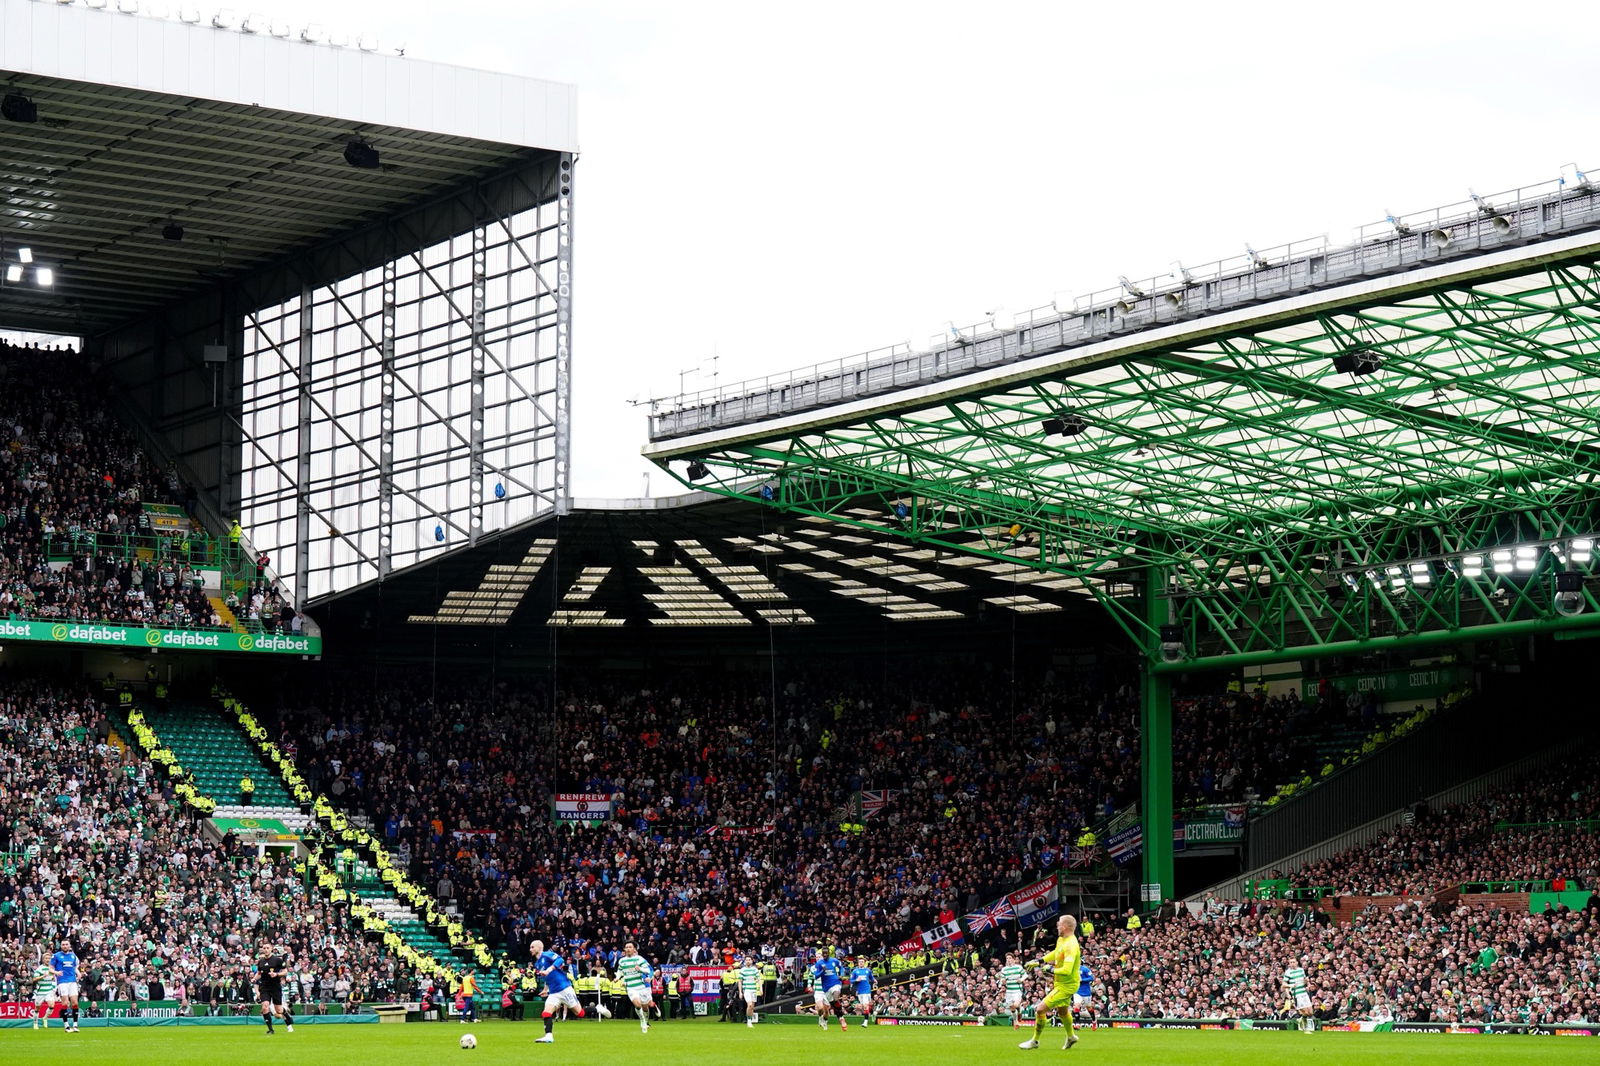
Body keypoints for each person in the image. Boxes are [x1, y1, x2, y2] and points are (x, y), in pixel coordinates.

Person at [1018, 914, 1081, 1051]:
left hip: (1067, 985)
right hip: (1061, 983)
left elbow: (1067, 970)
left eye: (1059, 924)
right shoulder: (1061, 939)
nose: (1057, 926)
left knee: (1040, 1009)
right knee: (1063, 1011)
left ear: (1065, 927)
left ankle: (1035, 1041)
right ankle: (1071, 1037)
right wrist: (1039, 961)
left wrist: (1050, 969)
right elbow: (1056, 952)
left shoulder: (1071, 945)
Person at [531, 939, 608, 1044]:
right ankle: (548, 1036)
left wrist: (549, 970)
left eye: (532, 947)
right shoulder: (537, 963)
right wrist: (545, 989)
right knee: (546, 1013)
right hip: (554, 992)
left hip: (564, 989)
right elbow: (547, 978)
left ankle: (597, 1008)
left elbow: (560, 960)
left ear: (539, 947)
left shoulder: (547, 954)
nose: (530, 949)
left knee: (580, 1013)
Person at [255, 941, 294, 1035]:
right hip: (264, 987)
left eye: (267, 948)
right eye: (264, 948)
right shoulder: (261, 961)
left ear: (271, 949)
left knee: (279, 1010)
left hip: (275, 987)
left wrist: (276, 974)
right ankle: (270, 1030)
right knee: (265, 1007)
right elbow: (259, 973)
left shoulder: (277, 960)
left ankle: (288, 1019)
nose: (266, 950)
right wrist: (254, 978)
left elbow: (285, 972)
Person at [616, 942, 654, 1033]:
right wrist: (617, 977)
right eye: (626, 947)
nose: (628, 949)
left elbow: (648, 970)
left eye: (630, 947)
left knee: (645, 1007)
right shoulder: (621, 961)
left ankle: (646, 1020)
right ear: (624, 949)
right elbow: (620, 971)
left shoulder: (639, 959)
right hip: (631, 987)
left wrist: (640, 969)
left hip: (641, 986)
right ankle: (642, 1021)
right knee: (637, 1005)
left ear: (634, 949)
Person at [50, 940, 81, 1034]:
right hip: (62, 981)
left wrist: (78, 973)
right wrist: (56, 972)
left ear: (69, 945)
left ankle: (75, 1025)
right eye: (63, 944)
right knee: (65, 1003)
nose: (65, 946)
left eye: (66, 944)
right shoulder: (56, 955)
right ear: (61, 946)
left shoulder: (73, 956)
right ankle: (66, 1025)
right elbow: (50, 968)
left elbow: (75, 967)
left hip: (72, 981)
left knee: (75, 1003)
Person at [811, 948, 845, 1031]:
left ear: (829, 953)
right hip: (826, 988)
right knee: (827, 1008)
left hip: (835, 983)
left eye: (826, 953)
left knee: (836, 997)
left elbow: (841, 968)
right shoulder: (819, 963)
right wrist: (822, 971)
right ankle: (836, 1016)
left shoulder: (834, 960)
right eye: (824, 953)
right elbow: (816, 976)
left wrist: (841, 975)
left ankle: (841, 1018)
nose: (825, 955)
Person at [1284, 957, 1314, 1033]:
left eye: (1293, 962)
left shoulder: (1301, 970)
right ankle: (1305, 1029)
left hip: (1304, 993)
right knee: (1305, 1012)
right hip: (1297, 994)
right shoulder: (1288, 972)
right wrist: (1290, 987)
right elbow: (1284, 984)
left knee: (1310, 1012)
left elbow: (1305, 980)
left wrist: (1308, 984)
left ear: (1297, 963)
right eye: (1291, 962)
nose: (1292, 964)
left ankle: (1301, 1019)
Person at [1000, 952, 1028, 1028]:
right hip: (1009, 991)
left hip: (1017, 990)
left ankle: (1019, 1012)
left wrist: (1021, 980)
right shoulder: (1004, 969)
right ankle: (1016, 1022)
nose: (1008, 960)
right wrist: (1003, 982)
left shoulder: (1018, 967)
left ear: (1013, 959)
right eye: (1007, 958)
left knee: (1015, 1005)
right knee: (1012, 1007)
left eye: (1010, 958)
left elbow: (1025, 975)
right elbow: (1002, 979)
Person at [32, 956, 59, 1030]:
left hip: (49, 990)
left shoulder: (52, 968)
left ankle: (45, 1018)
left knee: (52, 1006)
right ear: (43, 960)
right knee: (37, 1008)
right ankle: (35, 1023)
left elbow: (53, 978)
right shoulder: (40, 968)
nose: (48, 960)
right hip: (41, 991)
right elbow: (34, 979)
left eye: (49, 958)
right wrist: (43, 976)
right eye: (46, 958)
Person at [848, 955, 874, 1028]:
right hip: (860, 991)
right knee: (863, 1007)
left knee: (865, 1006)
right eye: (860, 962)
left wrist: (874, 980)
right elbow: (851, 980)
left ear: (864, 963)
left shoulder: (868, 970)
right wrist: (856, 980)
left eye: (862, 962)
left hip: (866, 990)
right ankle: (873, 1012)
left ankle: (865, 1022)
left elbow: (871, 978)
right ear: (858, 963)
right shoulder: (855, 971)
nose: (861, 963)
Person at [739, 955, 763, 1028]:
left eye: (749, 960)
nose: (748, 961)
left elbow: (759, 979)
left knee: (752, 1007)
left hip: (753, 989)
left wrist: (761, 989)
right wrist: (740, 992)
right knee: (749, 1005)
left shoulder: (755, 970)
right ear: (745, 961)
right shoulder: (742, 970)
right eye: (746, 960)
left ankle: (750, 1020)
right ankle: (748, 1021)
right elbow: (740, 981)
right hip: (746, 989)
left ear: (752, 961)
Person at [1073, 962, 1095, 1031]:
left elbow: (1091, 978)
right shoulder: (1073, 969)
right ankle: (1077, 1024)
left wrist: (1082, 980)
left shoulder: (1085, 969)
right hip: (1077, 991)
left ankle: (1094, 1021)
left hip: (1086, 992)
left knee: (1089, 1008)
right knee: (1076, 1006)